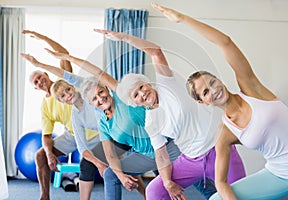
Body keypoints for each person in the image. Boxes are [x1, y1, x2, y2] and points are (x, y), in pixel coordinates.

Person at [152, 3, 288, 200]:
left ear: (220, 80)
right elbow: (220, 182)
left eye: (213, 82)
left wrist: (183, 19)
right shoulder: (224, 133)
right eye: (205, 91)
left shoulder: (252, 89)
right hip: (280, 175)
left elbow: (226, 42)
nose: (213, 89)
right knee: (216, 198)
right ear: (203, 102)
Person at [96, 22, 245, 200]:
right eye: (136, 95)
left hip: (219, 149)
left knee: (241, 194)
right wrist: (167, 182)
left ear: (147, 83)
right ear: (134, 103)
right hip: (191, 159)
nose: (142, 93)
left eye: (142, 87)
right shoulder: (151, 122)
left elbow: (155, 51)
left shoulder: (167, 84)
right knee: (155, 191)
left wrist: (124, 37)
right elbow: (161, 154)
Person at [44, 48, 184, 200]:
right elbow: (110, 155)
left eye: (101, 93)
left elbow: (98, 73)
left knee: (188, 183)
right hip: (145, 155)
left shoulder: (122, 95)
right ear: (91, 104)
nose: (100, 99)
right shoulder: (103, 123)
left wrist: (67, 57)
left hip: (166, 146)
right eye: (95, 99)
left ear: (106, 89)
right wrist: (121, 176)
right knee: (111, 174)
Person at [21, 53, 147, 199]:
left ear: (73, 87)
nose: (68, 95)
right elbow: (81, 147)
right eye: (63, 96)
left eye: (68, 90)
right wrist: (98, 164)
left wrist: (39, 64)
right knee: (87, 165)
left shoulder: (87, 91)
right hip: (98, 137)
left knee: (124, 163)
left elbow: (67, 71)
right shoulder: (73, 114)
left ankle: (146, 193)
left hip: (117, 132)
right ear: (61, 101)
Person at [22, 30, 77, 200]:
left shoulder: (64, 82)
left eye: (40, 77)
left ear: (46, 74)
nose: (40, 82)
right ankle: (44, 196)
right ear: (36, 88)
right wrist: (49, 153)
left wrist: (42, 38)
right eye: (36, 82)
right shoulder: (45, 106)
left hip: (91, 131)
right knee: (40, 155)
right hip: (72, 135)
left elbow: (65, 54)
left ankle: (144, 192)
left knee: (117, 160)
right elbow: (46, 135)